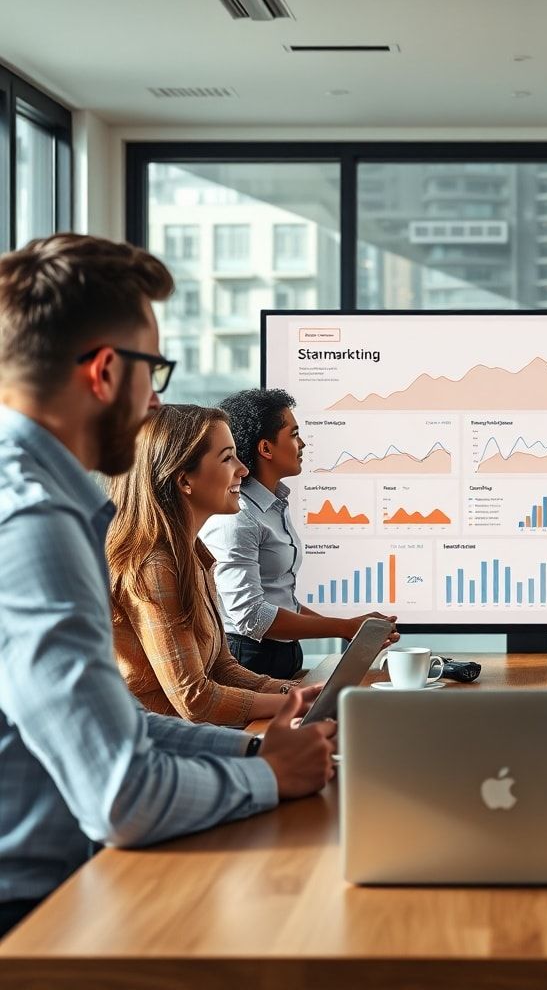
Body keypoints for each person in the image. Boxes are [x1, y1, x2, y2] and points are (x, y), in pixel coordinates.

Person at [0, 235, 334, 939]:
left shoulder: (44, 507)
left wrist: (253, 752)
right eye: (153, 372)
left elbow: (114, 731)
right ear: (104, 371)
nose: (155, 400)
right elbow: (121, 795)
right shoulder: (34, 523)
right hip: (37, 916)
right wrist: (272, 779)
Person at [107, 404, 309, 725]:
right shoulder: (155, 566)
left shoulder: (194, 553)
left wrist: (290, 692)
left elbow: (220, 668)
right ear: (185, 480)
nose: (243, 470)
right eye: (228, 458)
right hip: (157, 752)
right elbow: (195, 700)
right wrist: (292, 703)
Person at [200, 388, 398, 680]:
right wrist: (341, 627)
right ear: (266, 449)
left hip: (282, 655)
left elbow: (280, 601)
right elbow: (251, 617)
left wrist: (350, 628)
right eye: (293, 434)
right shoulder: (238, 516)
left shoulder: (272, 506)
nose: (302, 443)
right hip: (248, 660)